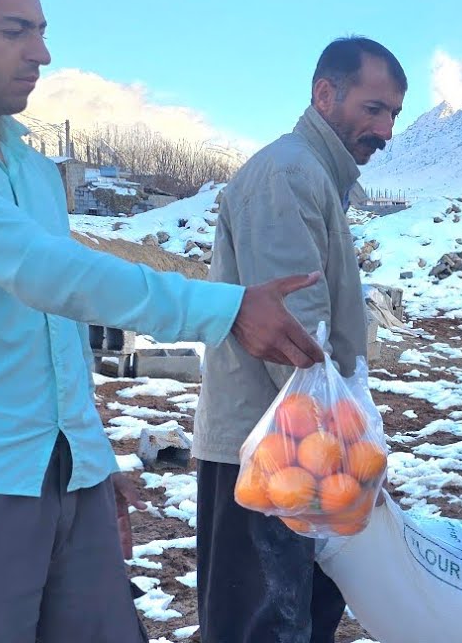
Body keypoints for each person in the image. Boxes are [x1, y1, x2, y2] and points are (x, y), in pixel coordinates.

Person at [0, 0, 326, 643]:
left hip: (62, 475)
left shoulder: (31, 166)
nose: (41, 53)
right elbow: (44, 273)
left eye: (41, 31)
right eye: (15, 31)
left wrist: (90, 454)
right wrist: (226, 308)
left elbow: (57, 328)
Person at [193, 36, 406, 643]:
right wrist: (345, 457)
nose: (386, 130)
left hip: (297, 453)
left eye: (393, 114)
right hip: (273, 456)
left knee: (298, 621)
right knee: (267, 626)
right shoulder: (289, 174)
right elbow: (293, 342)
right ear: (324, 94)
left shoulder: (314, 174)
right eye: (373, 109)